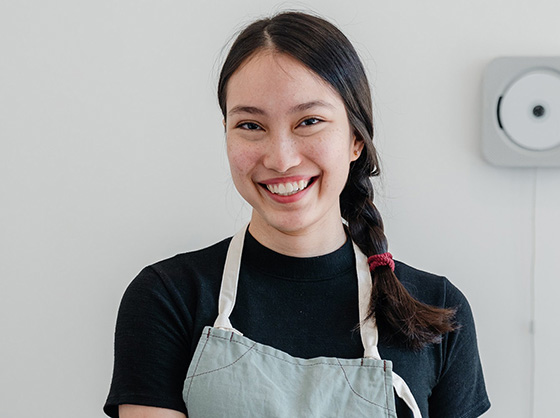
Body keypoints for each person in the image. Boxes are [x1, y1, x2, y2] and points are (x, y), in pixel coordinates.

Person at [104, 11, 490, 418]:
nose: (281, 159)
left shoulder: (437, 310)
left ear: (355, 138)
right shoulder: (167, 298)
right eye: (251, 125)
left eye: (309, 121)